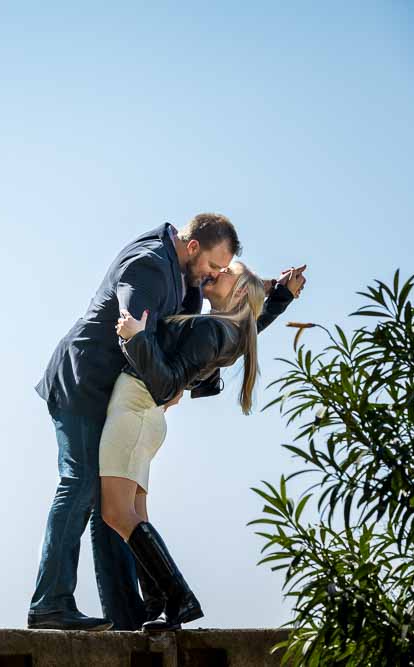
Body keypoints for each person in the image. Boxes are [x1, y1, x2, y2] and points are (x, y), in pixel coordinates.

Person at [29, 214, 240, 631]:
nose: (214, 275)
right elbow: (134, 323)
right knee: (81, 483)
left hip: (111, 394)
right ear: (193, 246)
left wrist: (275, 295)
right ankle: (50, 603)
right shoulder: (149, 264)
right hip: (83, 383)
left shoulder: (185, 277)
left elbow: (233, 321)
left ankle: (125, 616)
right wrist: (164, 376)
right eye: (214, 265)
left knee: (112, 500)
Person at [98, 261, 304, 631]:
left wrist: (136, 337)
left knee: (116, 513)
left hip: (136, 406)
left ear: (239, 292)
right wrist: (281, 293)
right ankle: (159, 603)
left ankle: (179, 600)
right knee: (134, 515)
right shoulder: (231, 330)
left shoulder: (212, 330)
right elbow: (253, 323)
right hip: (145, 415)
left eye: (227, 272)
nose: (218, 270)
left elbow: (167, 383)